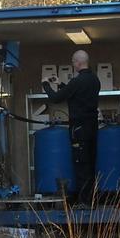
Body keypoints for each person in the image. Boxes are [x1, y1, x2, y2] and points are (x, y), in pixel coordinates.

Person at [42, 49, 101, 205]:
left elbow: (56, 99)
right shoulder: (95, 80)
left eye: (73, 62)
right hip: (92, 128)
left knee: (81, 166)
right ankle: (91, 199)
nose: (73, 64)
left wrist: (45, 84)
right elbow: (75, 93)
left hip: (79, 129)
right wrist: (60, 83)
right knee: (90, 164)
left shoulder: (77, 81)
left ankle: (84, 202)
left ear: (77, 62)